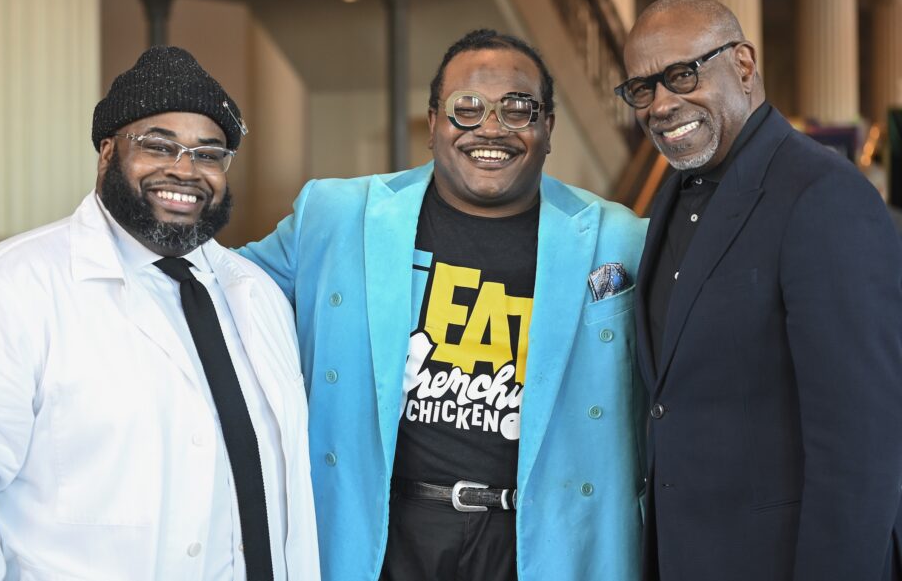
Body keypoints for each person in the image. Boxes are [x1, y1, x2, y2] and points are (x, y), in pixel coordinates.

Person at [0, 46, 319, 581]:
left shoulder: (255, 294)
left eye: (209, 154)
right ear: (107, 152)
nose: (185, 171)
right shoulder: (2, 292)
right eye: (159, 145)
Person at [240, 29, 648, 581]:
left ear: (548, 127)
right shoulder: (336, 216)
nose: (492, 128)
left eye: (518, 109)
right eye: (468, 108)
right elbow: (222, 293)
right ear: (433, 123)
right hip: (385, 532)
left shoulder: (619, 239)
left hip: (545, 539)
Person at [615, 0, 902, 581]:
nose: (663, 105)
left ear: (743, 65)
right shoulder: (670, 195)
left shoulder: (823, 195)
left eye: (682, 75)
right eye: (643, 89)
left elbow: (863, 448)